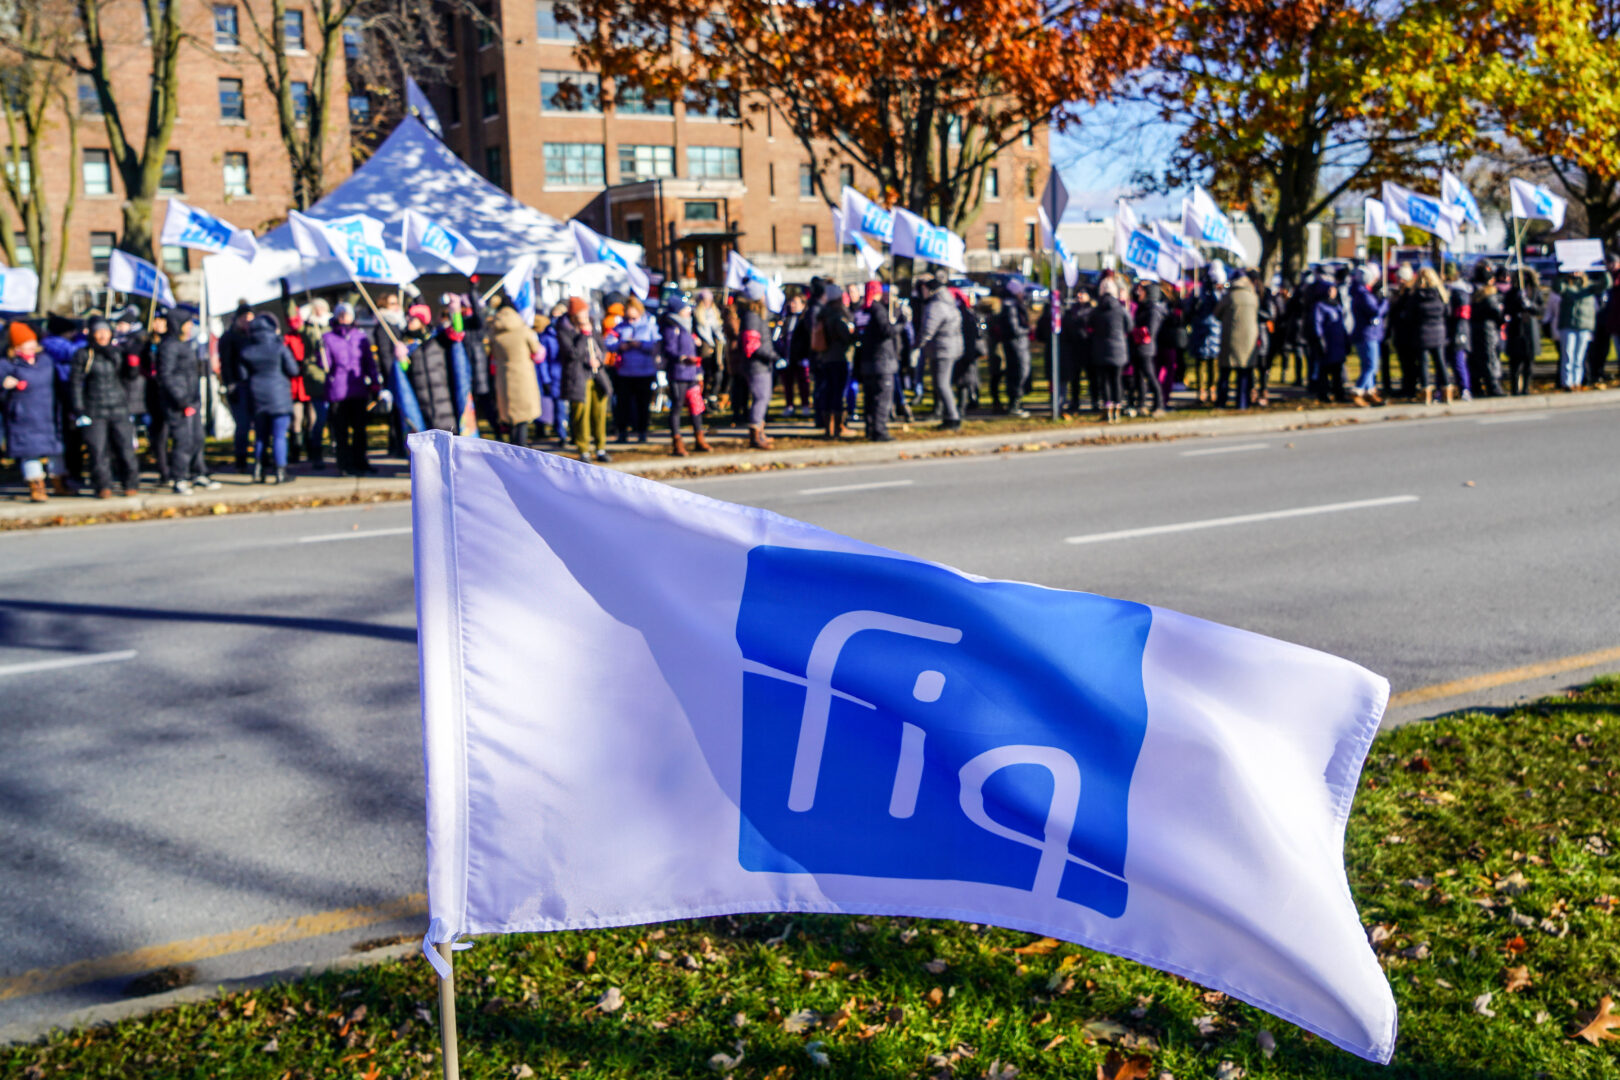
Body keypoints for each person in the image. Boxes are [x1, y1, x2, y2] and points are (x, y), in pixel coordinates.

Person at [70, 317, 140, 498]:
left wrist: (133, 359)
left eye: (105, 331)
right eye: (98, 332)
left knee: (125, 448)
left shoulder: (117, 353)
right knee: (97, 450)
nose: (102, 335)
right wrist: (79, 409)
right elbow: (76, 383)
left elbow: (130, 376)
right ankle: (103, 485)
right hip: (94, 408)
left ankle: (130, 483)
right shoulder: (84, 355)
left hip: (118, 408)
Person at [0, 322, 65, 502]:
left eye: (31, 342)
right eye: (24, 343)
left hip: (47, 413)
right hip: (23, 417)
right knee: (29, 452)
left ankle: (60, 482)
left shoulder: (46, 360)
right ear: (15, 345)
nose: (29, 346)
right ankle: (36, 487)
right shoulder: (7, 364)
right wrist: (4, 385)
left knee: (56, 450)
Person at [235, 312, 299, 483]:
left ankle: (258, 469)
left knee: (260, 436)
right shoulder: (279, 348)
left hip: (257, 396)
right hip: (279, 395)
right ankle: (280, 471)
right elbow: (293, 370)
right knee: (279, 435)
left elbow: (242, 375)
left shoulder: (247, 350)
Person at [323, 302, 380, 475]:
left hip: (358, 388)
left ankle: (360, 461)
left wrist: (375, 381)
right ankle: (344, 464)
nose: (344, 317)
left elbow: (369, 361)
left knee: (359, 429)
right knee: (341, 430)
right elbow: (326, 365)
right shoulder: (328, 338)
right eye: (341, 314)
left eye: (347, 314)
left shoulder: (360, 337)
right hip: (338, 391)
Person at [154, 310, 205, 494]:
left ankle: (198, 473)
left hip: (192, 400)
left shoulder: (185, 345)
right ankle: (179, 478)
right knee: (183, 441)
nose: (191, 327)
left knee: (197, 438)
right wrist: (181, 400)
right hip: (179, 403)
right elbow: (166, 376)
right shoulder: (168, 346)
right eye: (188, 323)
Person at [557, 297, 612, 461]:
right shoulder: (564, 329)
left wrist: (599, 360)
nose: (585, 314)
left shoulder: (592, 324)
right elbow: (572, 353)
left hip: (597, 376)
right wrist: (583, 335)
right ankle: (584, 449)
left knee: (599, 413)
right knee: (581, 414)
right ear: (574, 314)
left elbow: (602, 347)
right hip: (577, 377)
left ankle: (601, 448)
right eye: (582, 312)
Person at [488, 294, 543, 447]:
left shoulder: (494, 332)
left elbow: (491, 353)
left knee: (510, 413)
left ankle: (514, 445)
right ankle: (522, 445)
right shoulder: (523, 329)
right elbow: (536, 350)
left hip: (503, 375)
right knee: (523, 414)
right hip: (523, 373)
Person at [915, 276, 964, 430]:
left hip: (942, 349)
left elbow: (927, 330)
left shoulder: (936, 306)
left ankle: (953, 417)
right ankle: (949, 415)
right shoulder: (948, 302)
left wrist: (917, 345)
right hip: (949, 347)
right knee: (942, 383)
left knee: (942, 384)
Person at [608, 296, 659, 443]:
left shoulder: (649, 326)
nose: (630, 320)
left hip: (644, 372)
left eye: (633, 317)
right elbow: (609, 342)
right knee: (623, 404)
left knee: (643, 404)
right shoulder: (620, 327)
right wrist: (620, 346)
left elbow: (656, 345)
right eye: (628, 317)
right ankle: (622, 432)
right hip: (624, 372)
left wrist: (640, 345)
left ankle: (642, 432)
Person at [853, 280, 898, 441]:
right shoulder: (877, 309)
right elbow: (886, 331)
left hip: (866, 360)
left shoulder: (860, 311)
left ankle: (870, 428)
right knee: (882, 397)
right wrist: (900, 323)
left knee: (870, 397)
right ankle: (879, 430)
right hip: (881, 360)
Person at [737, 287, 779, 449]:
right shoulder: (752, 317)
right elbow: (752, 346)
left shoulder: (756, 316)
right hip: (757, 365)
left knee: (764, 397)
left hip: (762, 363)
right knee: (760, 398)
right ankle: (755, 435)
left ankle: (760, 432)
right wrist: (773, 356)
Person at [811, 282, 854, 438]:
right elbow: (846, 336)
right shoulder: (836, 315)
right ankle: (837, 427)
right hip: (838, 357)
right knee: (837, 393)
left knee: (828, 392)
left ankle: (829, 427)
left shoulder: (822, 313)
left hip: (825, 357)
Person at [1556, 269, 1609, 390]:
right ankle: (1566, 383)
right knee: (1568, 355)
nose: (1575, 272)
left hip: (1584, 325)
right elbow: (1557, 288)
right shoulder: (1565, 285)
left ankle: (1577, 382)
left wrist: (1603, 271)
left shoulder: (1589, 286)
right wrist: (1561, 273)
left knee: (1580, 356)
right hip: (1568, 324)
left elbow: (1606, 284)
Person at [1214, 269, 1259, 409]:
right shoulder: (1253, 296)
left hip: (1231, 336)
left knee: (1225, 372)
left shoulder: (1230, 296)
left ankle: (1222, 401)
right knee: (1244, 373)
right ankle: (1242, 403)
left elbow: (1216, 313)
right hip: (1249, 339)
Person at [1088, 276, 1131, 422]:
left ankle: (1108, 408)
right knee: (1117, 380)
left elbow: (1090, 325)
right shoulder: (1120, 309)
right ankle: (1118, 408)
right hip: (1118, 348)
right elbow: (1129, 326)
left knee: (1104, 380)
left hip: (1100, 348)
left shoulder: (1097, 310)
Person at [1410, 267, 1451, 404]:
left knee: (1424, 364)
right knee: (1440, 362)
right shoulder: (1440, 294)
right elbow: (1448, 312)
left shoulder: (1417, 296)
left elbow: (1410, 314)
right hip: (1439, 330)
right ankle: (1447, 392)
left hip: (1422, 330)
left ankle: (1426, 392)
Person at [1348, 264, 1387, 406]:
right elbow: (1375, 311)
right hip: (1368, 334)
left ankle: (1370, 391)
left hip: (1366, 334)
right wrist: (1384, 302)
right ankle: (1358, 389)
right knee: (1371, 366)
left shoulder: (1360, 293)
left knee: (1368, 365)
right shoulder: (1363, 294)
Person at [993, 280, 1033, 415]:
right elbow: (1013, 328)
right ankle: (1010, 403)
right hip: (1013, 344)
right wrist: (1028, 330)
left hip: (1012, 344)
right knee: (1016, 372)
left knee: (1014, 372)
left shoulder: (1010, 305)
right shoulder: (1010, 306)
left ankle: (1014, 402)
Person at [1504, 269, 1546, 396]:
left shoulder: (1535, 291)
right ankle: (1515, 389)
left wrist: (1530, 305)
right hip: (1516, 330)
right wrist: (1517, 300)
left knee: (1528, 362)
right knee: (1515, 363)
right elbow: (1507, 309)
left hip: (1530, 330)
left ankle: (1526, 388)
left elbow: (1540, 310)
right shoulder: (1512, 292)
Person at [1129, 279, 1167, 416]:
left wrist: (1134, 331)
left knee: (1150, 376)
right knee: (1138, 377)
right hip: (1137, 347)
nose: (1140, 293)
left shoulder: (1153, 311)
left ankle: (1159, 405)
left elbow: (1149, 331)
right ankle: (1141, 403)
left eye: (1143, 291)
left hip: (1146, 348)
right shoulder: (1143, 308)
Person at [1470, 265, 1507, 397]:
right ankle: (1493, 387)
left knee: (1478, 358)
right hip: (1488, 331)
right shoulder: (1490, 295)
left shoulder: (1475, 294)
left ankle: (1477, 387)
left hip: (1477, 330)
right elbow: (1498, 314)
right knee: (1490, 358)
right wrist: (1503, 318)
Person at [1312, 282, 1350, 403]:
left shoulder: (1337, 305)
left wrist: (1346, 340)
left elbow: (1342, 324)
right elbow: (1317, 324)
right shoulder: (1320, 306)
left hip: (1338, 342)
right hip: (1327, 342)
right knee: (1324, 369)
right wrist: (1320, 340)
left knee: (1337, 370)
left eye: (1333, 290)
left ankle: (1339, 393)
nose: (1331, 292)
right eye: (1329, 290)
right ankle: (1323, 393)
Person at [777, 291, 810, 418]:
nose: (792, 305)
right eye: (791, 302)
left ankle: (805, 405)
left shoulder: (805, 319)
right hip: (787, 356)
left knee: (803, 383)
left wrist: (805, 355)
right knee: (788, 383)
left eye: (795, 302)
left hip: (801, 357)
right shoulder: (786, 318)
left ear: (803, 304)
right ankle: (789, 405)